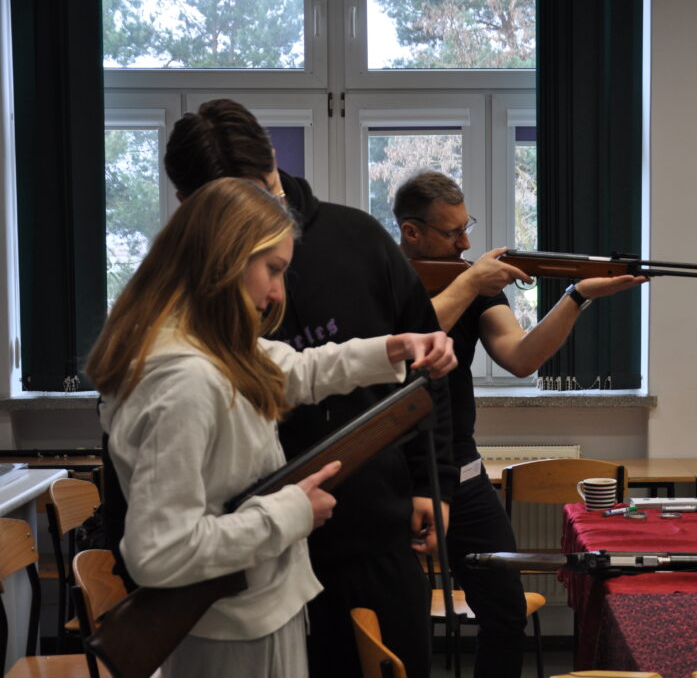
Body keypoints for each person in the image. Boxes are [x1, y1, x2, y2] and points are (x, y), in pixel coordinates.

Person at [86, 177, 456, 678]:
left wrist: (393, 347)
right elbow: (160, 553)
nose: (278, 292)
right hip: (230, 635)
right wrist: (291, 512)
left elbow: (299, 370)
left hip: (250, 613)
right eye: (273, 270)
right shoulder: (185, 378)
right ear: (226, 258)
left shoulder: (209, 346)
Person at [394, 170, 646, 677]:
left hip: (461, 472)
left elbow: (521, 356)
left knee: (505, 609)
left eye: (468, 227)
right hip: (395, 476)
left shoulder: (470, 282)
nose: (467, 241)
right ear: (411, 232)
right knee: (398, 617)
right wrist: (469, 282)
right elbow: (399, 348)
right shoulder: (386, 278)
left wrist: (578, 296)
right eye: (452, 233)